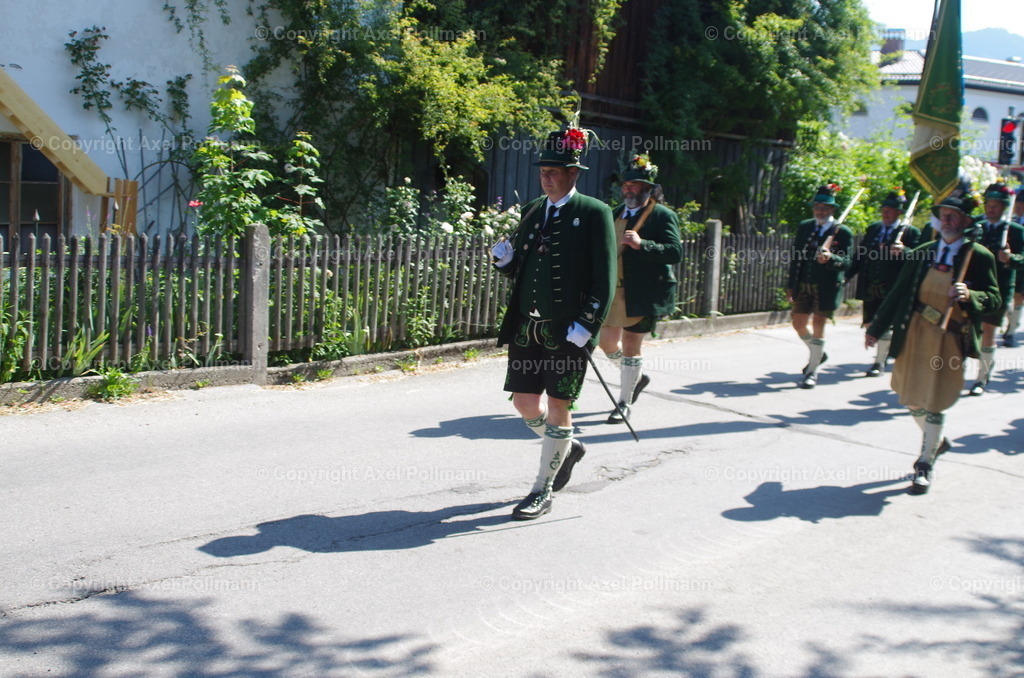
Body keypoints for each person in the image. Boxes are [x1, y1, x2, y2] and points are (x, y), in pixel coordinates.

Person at [490, 125, 615, 520]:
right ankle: (567, 447)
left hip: (568, 329)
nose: (546, 176)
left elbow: (605, 276)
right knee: (526, 404)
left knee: (560, 404)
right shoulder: (533, 210)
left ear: (573, 174)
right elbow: (522, 268)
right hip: (528, 326)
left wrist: (587, 325)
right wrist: (506, 261)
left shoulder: (594, 212)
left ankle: (541, 490)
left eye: (555, 170)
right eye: (543, 170)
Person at [866, 191, 1000, 494]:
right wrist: (876, 327)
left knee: (936, 398)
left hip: (949, 337)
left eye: (954, 215)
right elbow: (899, 292)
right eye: (944, 214)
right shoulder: (924, 250)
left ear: (966, 221)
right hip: (914, 331)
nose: (947, 219)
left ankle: (924, 464)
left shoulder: (978, 256)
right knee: (911, 397)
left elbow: (994, 299)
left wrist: (971, 296)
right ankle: (937, 442)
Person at [598, 153, 682, 424]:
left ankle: (624, 402)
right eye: (625, 185)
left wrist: (643, 244)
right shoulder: (614, 213)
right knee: (606, 342)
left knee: (632, 346)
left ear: (647, 188)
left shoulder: (662, 215)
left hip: (644, 293)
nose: (628, 189)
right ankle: (635, 377)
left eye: (634, 185)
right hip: (614, 292)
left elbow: (675, 252)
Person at [786, 184, 853, 388]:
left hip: (826, 286)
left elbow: (847, 262)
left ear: (832, 210)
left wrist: (830, 258)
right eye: (817, 207)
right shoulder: (806, 226)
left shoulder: (842, 232)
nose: (820, 211)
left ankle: (812, 372)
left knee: (818, 326)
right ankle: (819, 354)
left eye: (824, 207)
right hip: (804, 284)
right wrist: (791, 285)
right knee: (798, 323)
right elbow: (796, 257)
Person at [848, 189, 921, 376]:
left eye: (890, 210)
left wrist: (904, 251)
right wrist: (847, 276)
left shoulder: (909, 232)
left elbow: (919, 258)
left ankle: (879, 362)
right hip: (870, 286)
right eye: (884, 209)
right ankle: (883, 352)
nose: (886, 213)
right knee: (870, 323)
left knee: (886, 323)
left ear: (899, 212)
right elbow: (860, 255)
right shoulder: (874, 229)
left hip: (892, 287)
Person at [967, 182, 1024, 395]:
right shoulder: (975, 226)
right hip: (973, 288)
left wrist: (1012, 258)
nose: (991, 209)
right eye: (988, 205)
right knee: (970, 330)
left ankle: (981, 378)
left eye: (996, 206)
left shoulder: (1016, 231)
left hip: (999, 288)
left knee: (989, 331)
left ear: (1003, 207)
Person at [1002, 185, 1024, 347]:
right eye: (1017, 204)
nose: (1018, 207)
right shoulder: (1013, 221)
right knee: (1011, 297)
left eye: (1020, 205)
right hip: (1013, 263)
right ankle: (1011, 322)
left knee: (1019, 297)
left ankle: (1011, 331)